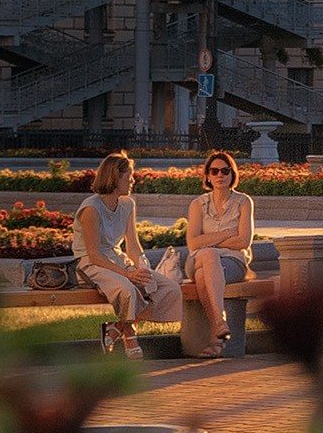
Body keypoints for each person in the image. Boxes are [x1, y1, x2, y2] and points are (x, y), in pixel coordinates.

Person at [73, 152, 180, 358]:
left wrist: (141, 268)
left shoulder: (127, 204)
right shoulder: (91, 209)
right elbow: (94, 255)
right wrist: (128, 274)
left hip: (118, 259)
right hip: (91, 264)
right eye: (128, 176)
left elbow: (132, 244)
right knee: (128, 290)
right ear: (114, 178)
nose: (133, 180)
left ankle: (116, 327)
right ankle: (130, 334)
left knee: (169, 288)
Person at [182, 149, 256, 354]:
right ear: (207, 176)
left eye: (225, 170)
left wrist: (209, 241)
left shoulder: (244, 202)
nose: (220, 175)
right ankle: (220, 321)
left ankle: (216, 335)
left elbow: (244, 241)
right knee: (208, 255)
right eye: (214, 171)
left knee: (203, 273)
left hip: (233, 262)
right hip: (197, 258)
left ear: (232, 174)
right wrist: (226, 234)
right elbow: (193, 243)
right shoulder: (198, 204)